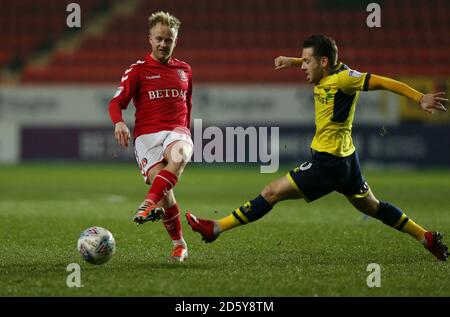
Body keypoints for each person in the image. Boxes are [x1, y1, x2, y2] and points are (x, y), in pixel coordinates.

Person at [186, 34, 449, 261]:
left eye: (307, 61)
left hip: (328, 163)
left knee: (270, 192)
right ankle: (425, 237)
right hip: (347, 161)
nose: (304, 67)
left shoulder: (345, 79)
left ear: (323, 62)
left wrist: (419, 97)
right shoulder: (331, 70)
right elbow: (318, 63)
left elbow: (383, 81)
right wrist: (294, 61)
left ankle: (215, 228)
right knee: (374, 207)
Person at [109, 11, 193, 262]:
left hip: (177, 131)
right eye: (159, 39)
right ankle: (180, 244)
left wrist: (184, 131)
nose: (163, 44)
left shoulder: (185, 70)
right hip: (147, 137)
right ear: (150, 39)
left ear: (175, 41)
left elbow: (187, 105)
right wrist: (119, 123)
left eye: (169, 39)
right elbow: (116, 102)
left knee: (179, 155)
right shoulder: (137, 71)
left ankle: (147, 204)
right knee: (165, 192)